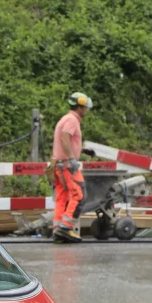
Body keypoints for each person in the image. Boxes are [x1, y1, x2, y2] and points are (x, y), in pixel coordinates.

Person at [50, 92, 91, 243]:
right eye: (85, 107)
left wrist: (82, 150)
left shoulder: (65, 118)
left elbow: (66, 141)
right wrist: (72, 159)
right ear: (79, 107)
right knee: (79, 195)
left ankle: (58, 230)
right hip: (67, 166)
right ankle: (66, 228)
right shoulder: (72, 120)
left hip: (58, 165)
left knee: (62, 197)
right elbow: (65, 137)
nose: (86, 110)